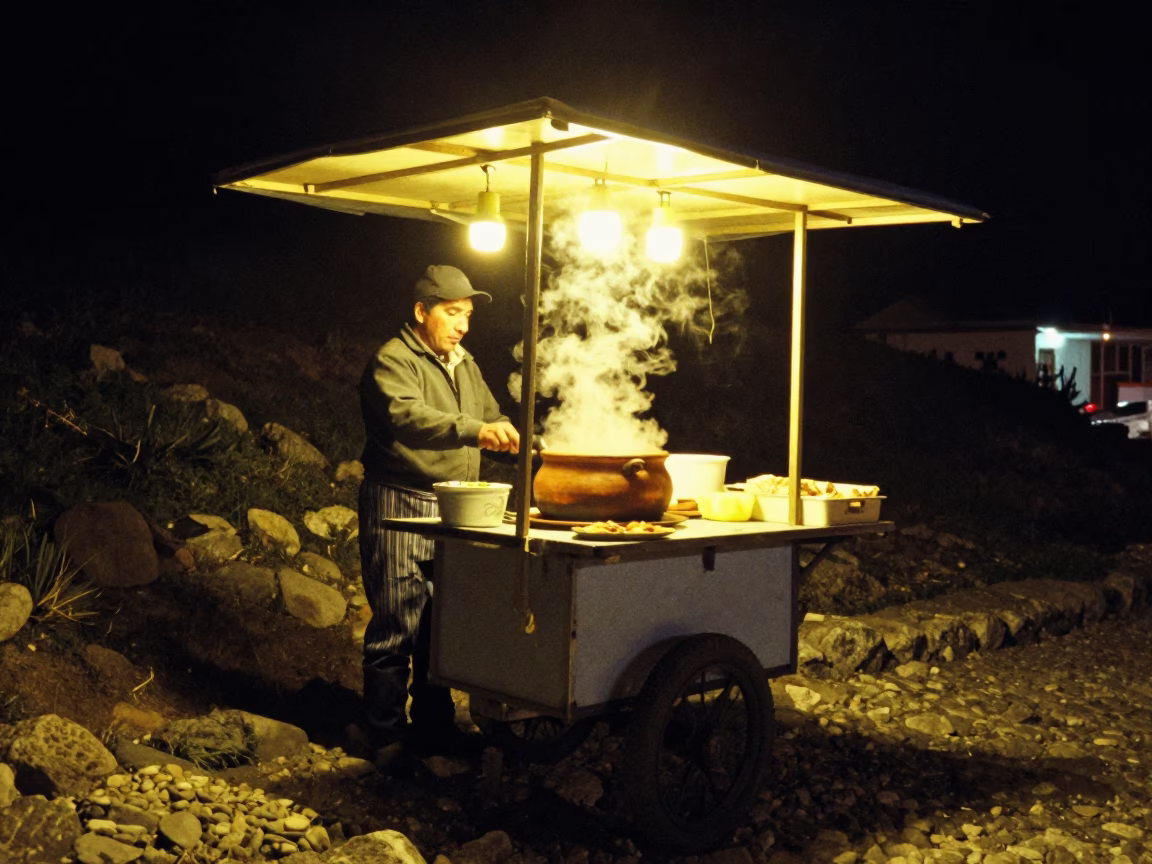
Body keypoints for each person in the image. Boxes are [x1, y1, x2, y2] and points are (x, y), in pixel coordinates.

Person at [357, 264, 520, 756]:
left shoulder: (463, 363)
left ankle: (434, 724)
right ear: (421, 311)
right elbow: (406, 416)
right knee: (397, 621)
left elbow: (490, 416)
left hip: (457, 505)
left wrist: (514, 435)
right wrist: (475, 430)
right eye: (452, 313)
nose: (462, 324)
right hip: (402, 499)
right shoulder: (394, 360)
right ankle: (382, 733)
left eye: (467, 314)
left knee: (442, 622)